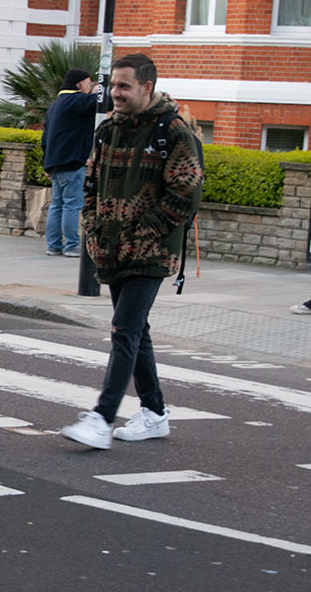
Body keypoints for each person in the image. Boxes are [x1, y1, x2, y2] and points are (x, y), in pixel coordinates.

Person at [61, 53, 204, 450]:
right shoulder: (108, 130)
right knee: (136, 330)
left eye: (124, 86)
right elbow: (90, 182)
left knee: (123, 330)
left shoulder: (173, 132)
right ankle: (154, 413)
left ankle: (102, 418)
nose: (115, 94)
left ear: (147, 87)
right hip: (111, 248)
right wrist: (92, 223)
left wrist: (146, 230)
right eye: (113, 86)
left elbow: (187, 193)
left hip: (151, 252)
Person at [40, 68, 98, 257]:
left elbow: (45, 137)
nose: (89, 87)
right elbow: (106, 102)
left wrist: (46, 163)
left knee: (57, 204)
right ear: (80, 83)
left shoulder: (56, 104)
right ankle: (72, 245)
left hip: (55, 163)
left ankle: (53, 245)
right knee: (72, 204)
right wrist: (101, 92)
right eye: (89, 83)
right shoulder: (76, 100)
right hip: (72, 162)